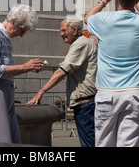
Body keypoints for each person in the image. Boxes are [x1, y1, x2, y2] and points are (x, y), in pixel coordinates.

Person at [84, 0, 139, 147]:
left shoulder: (103, 20)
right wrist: (136, 1)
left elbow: (87, 18)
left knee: (103, 143)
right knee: (130, 144)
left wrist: (104, 0)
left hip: (107, 92)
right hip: (135, 92)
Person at [27, 18, 97, 147]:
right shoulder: (83, 43)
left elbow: (62, 71)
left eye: (64, 30)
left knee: (89, 142)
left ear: (75, 30)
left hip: (85, 103)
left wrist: (41, 91)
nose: (61, 34)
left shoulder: (80, 44)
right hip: (87, 102)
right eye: (60, 31)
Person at [0, 4, 43, 144]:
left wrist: (27, 68)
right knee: (2, 141)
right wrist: (25, 67)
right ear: (13, 21)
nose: (21, 35)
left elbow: (3, 71)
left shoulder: (3, 37)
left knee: (13, 140)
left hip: (3, 89)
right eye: (22, 31)